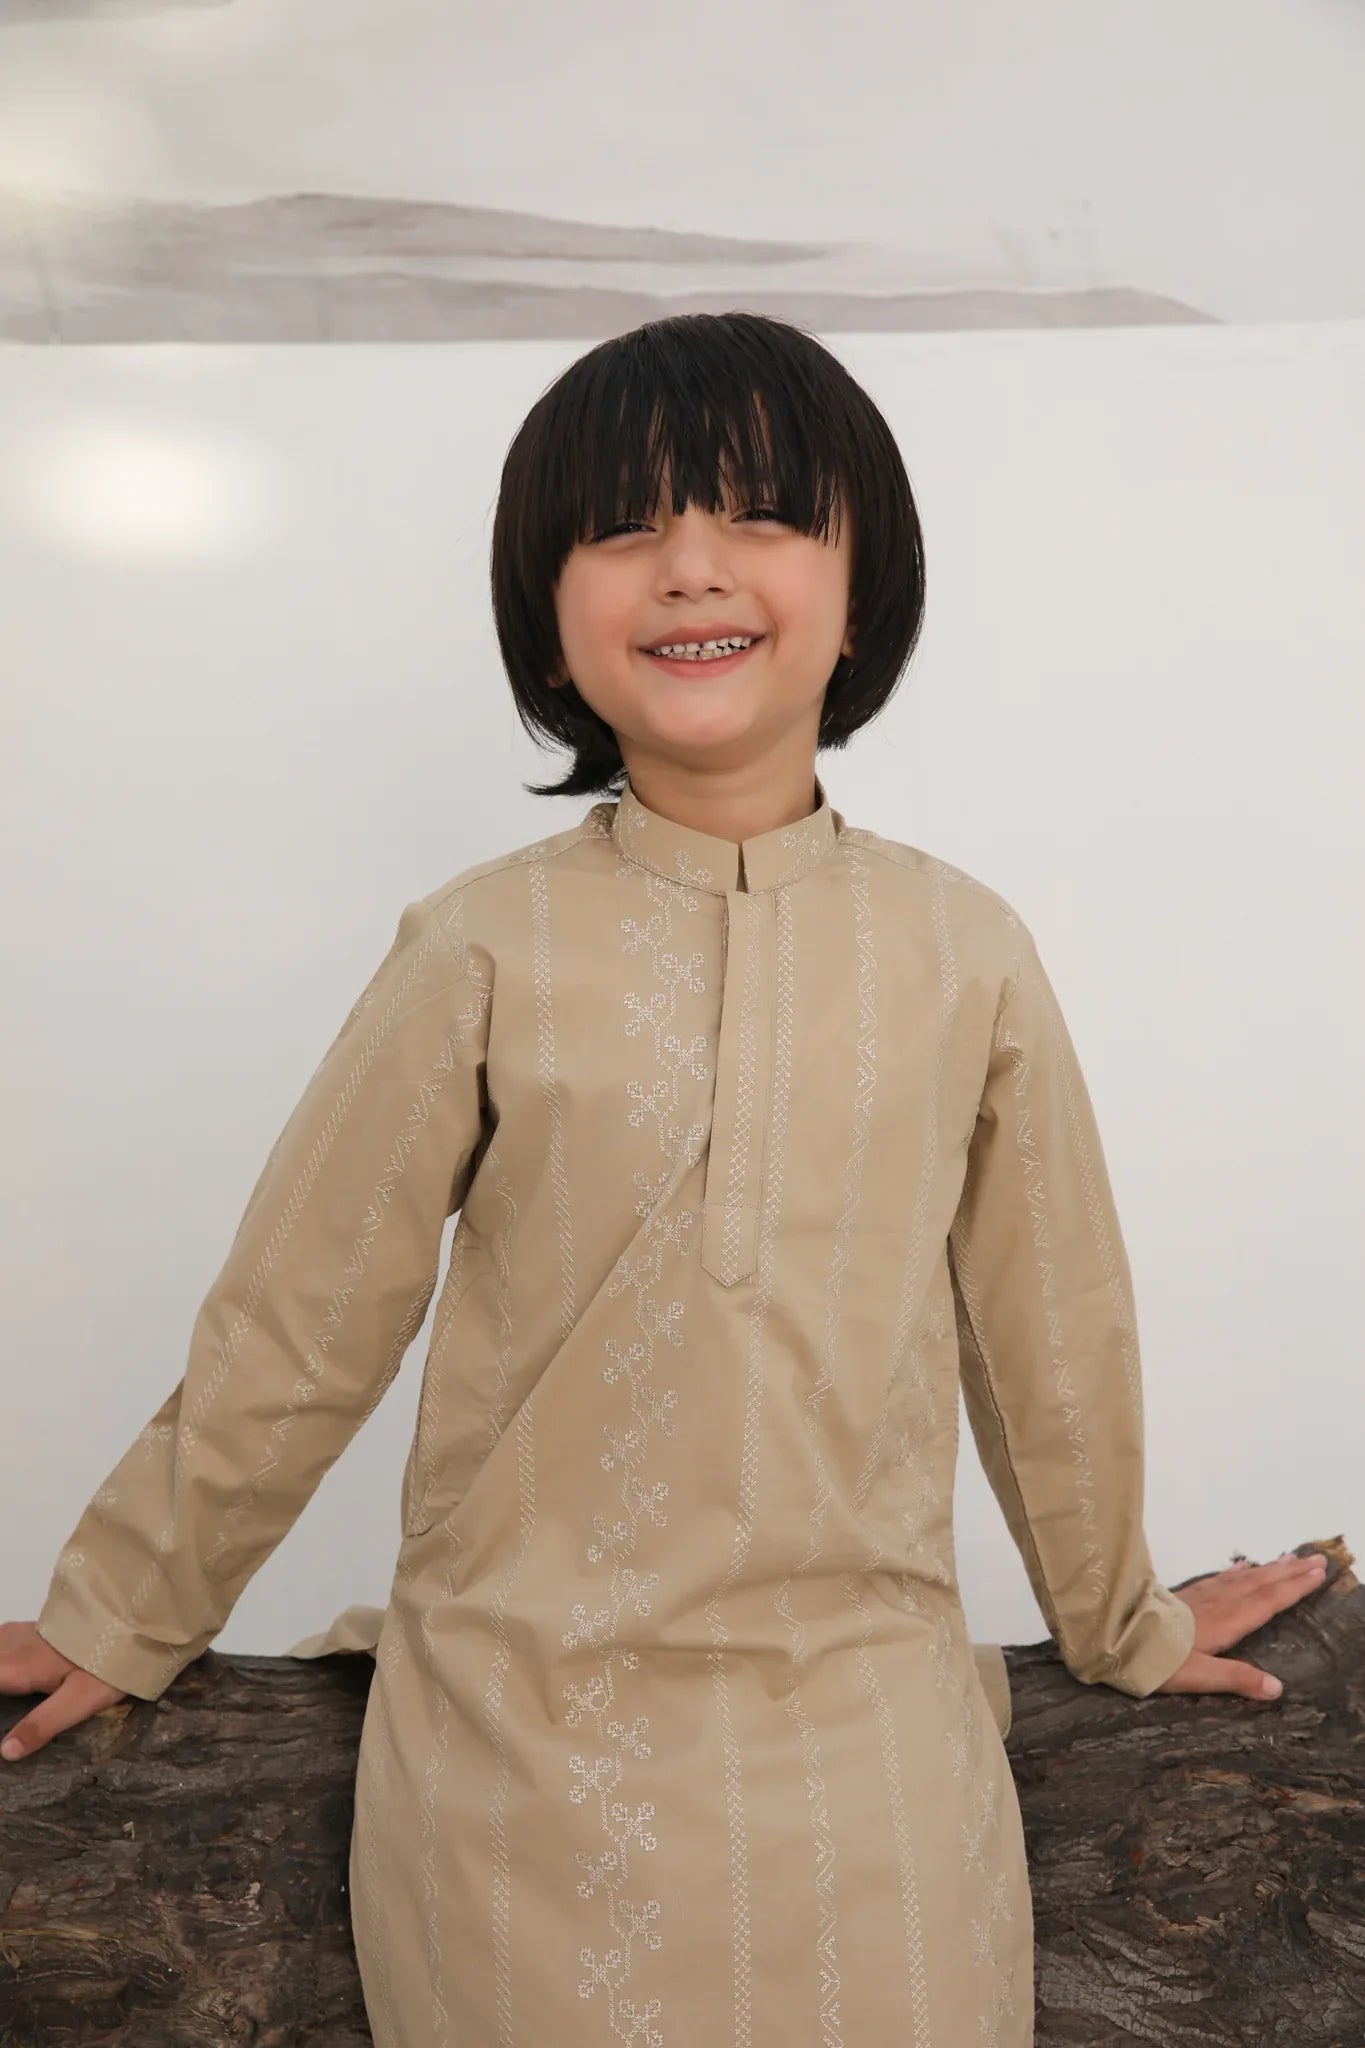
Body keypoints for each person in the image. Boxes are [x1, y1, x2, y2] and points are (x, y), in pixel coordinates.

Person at [0, 311, 1329, 2046]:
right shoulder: (479, 945)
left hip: (875, 1764)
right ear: (547, 621)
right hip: (515, 1761)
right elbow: (303, 1323)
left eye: (758, 514)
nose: (690, 566)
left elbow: (1049, 1331)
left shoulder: (964, 949)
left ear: (863, 589)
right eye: (623, 528)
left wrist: (1120, 1623)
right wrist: (124, 1609)